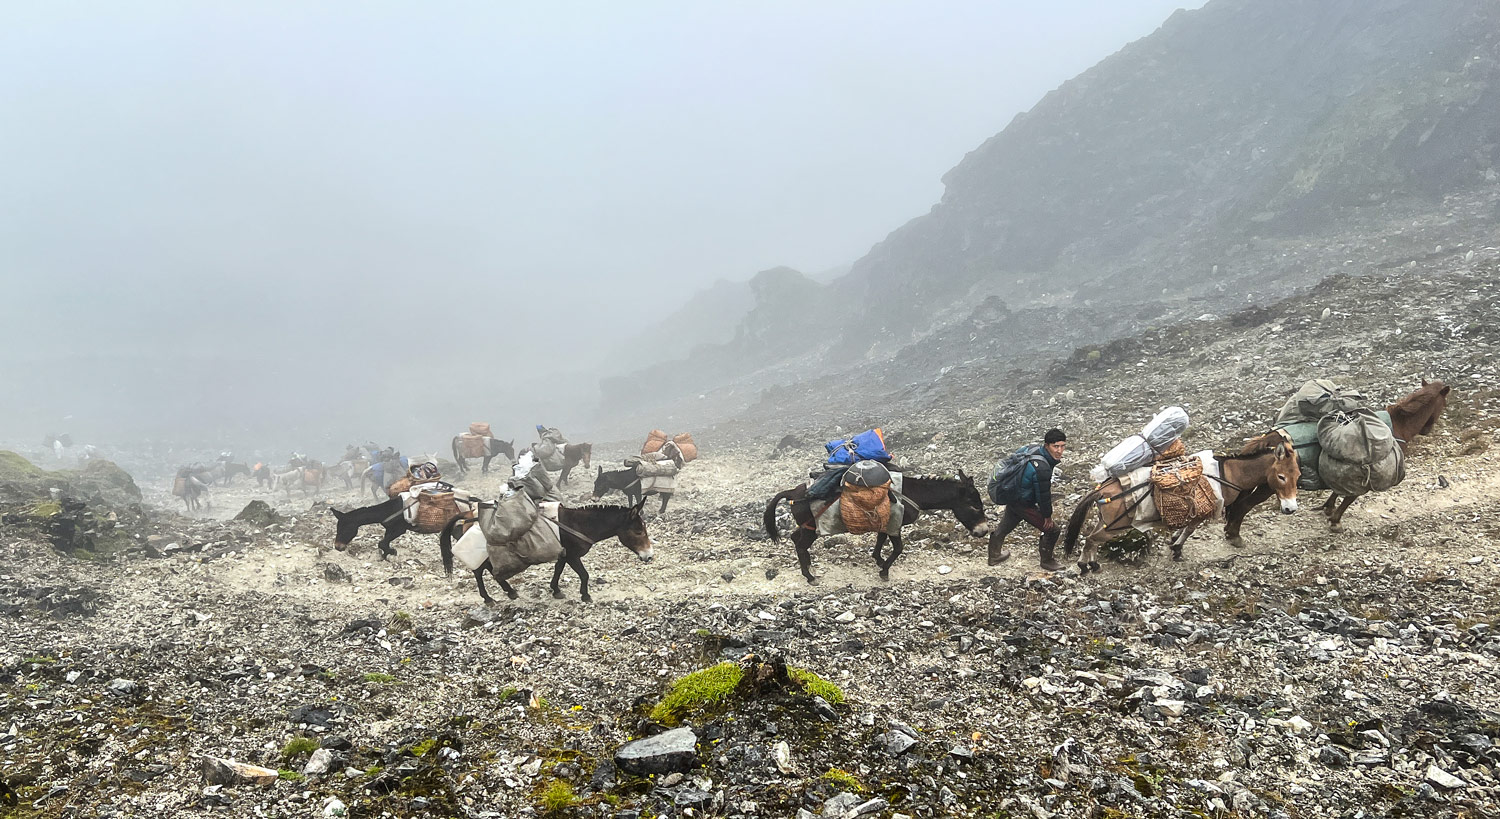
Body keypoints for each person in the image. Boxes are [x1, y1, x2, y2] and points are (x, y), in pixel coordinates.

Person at [988, 428, 1067, 571]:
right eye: (1056, 446)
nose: (1060, 451)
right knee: (1052, 530)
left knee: (1006, 525)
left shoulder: (1030, 448)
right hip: (1023, 502)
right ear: (1047, 445)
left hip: (1012, 494)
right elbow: (1043, 496)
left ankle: (994, 555)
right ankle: (1047, 561)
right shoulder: (1042, 468)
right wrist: (1047, 517)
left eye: (1062, 446)